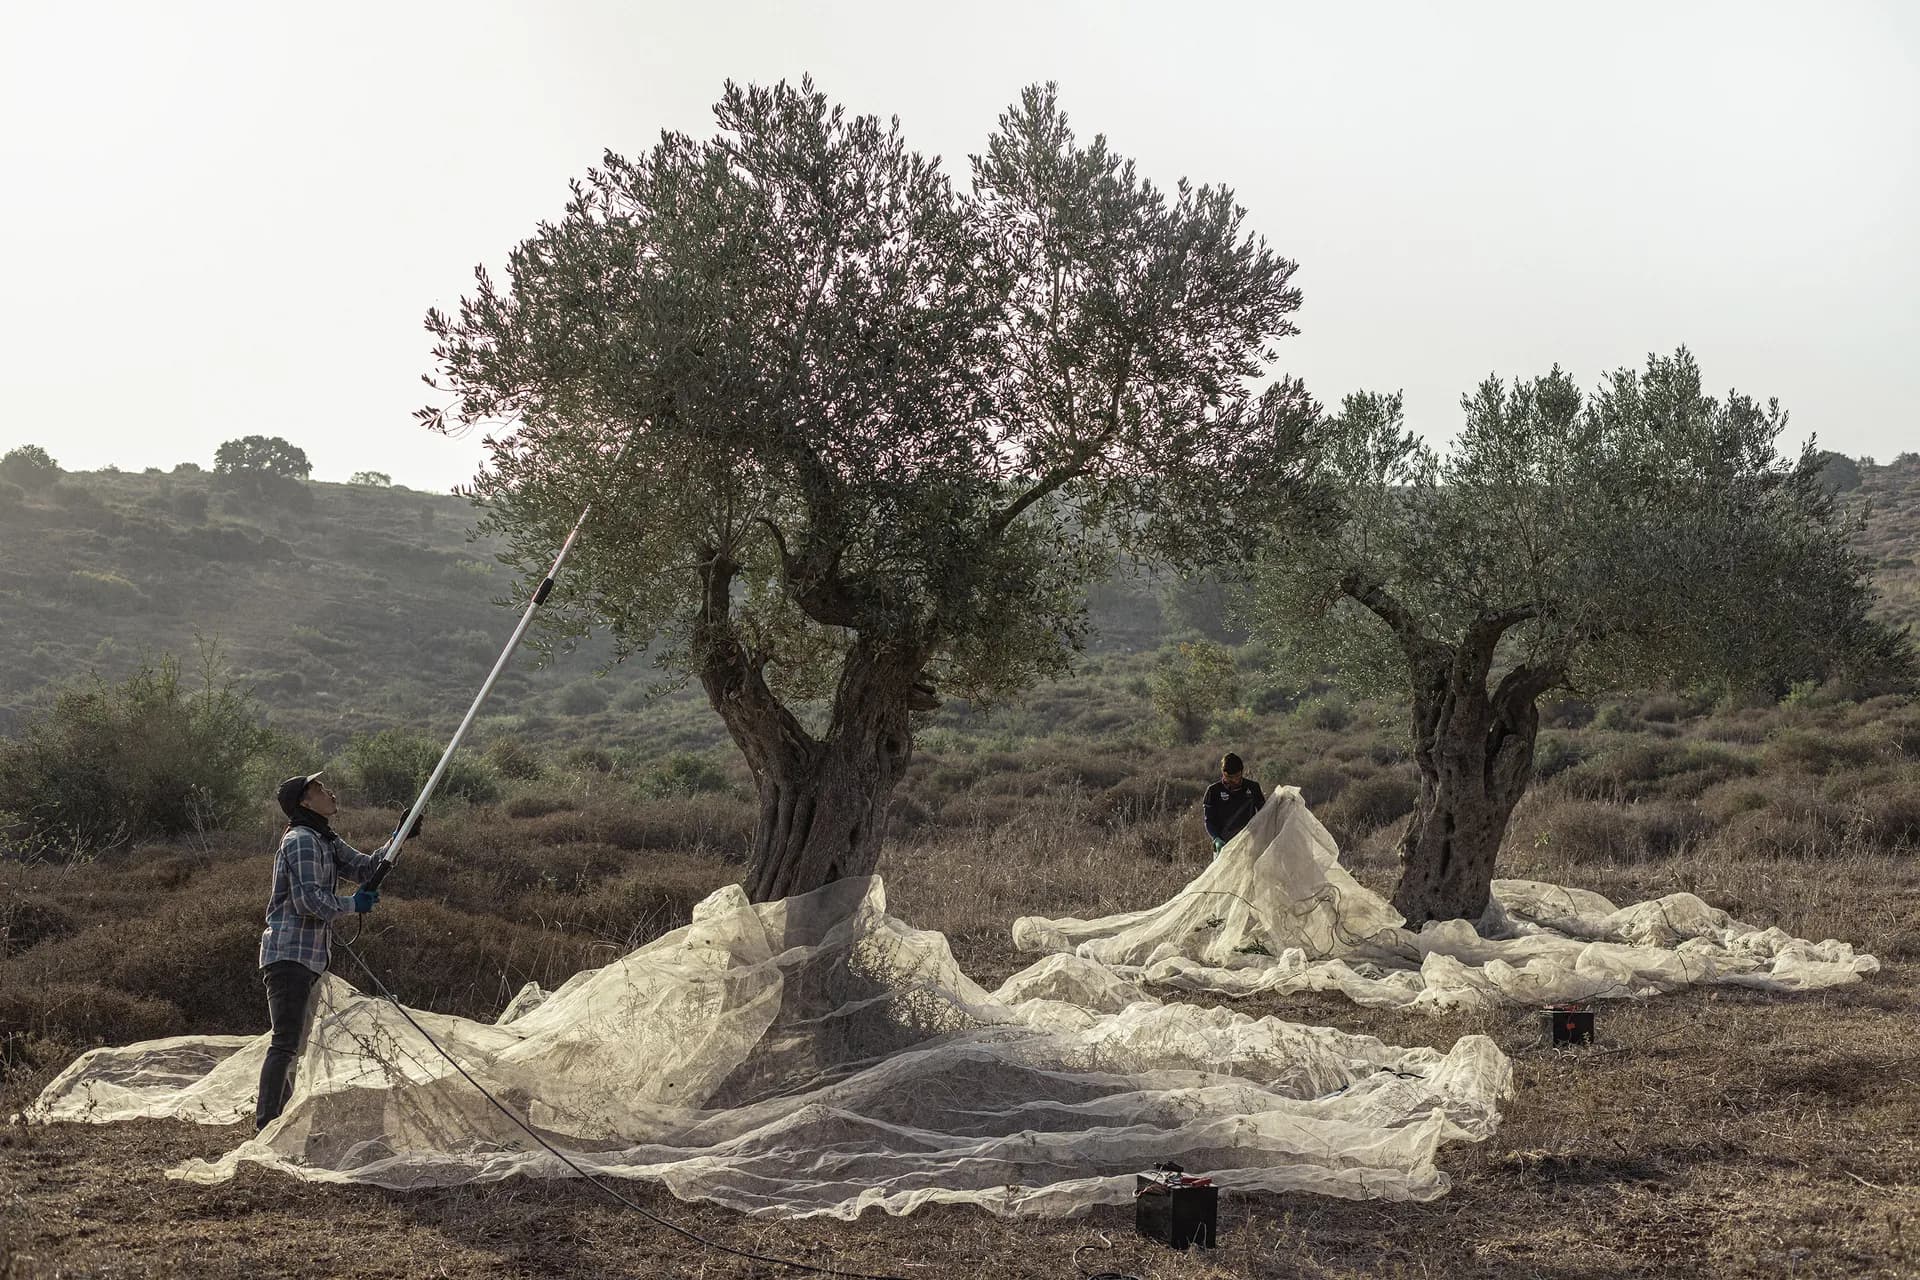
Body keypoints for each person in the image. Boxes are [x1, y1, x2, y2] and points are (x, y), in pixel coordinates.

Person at [254, 771, 386, 1131]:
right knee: (285, 1042)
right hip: (289, 955)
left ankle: (281, 1119)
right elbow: (308, 900)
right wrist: (352, 905)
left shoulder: (324, 838)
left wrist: (399, 838)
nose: (329, 792)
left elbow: (364, 867)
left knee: (295, 1044)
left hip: (310, 957)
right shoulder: (301, 841)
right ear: (305, 803)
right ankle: (267, 1123)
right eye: (319, 789)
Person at [1202, 752, 1266, 856]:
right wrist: (1216, 838)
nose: (1235, 780)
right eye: (1231, 777)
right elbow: (1209, 820)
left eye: (1238, 776)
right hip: (1224, 845)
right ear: (1224, 774)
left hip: (1249, 844)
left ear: (1241, 772)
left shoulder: (1253, 787)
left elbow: (1264, 813)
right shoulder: (1213, 791)